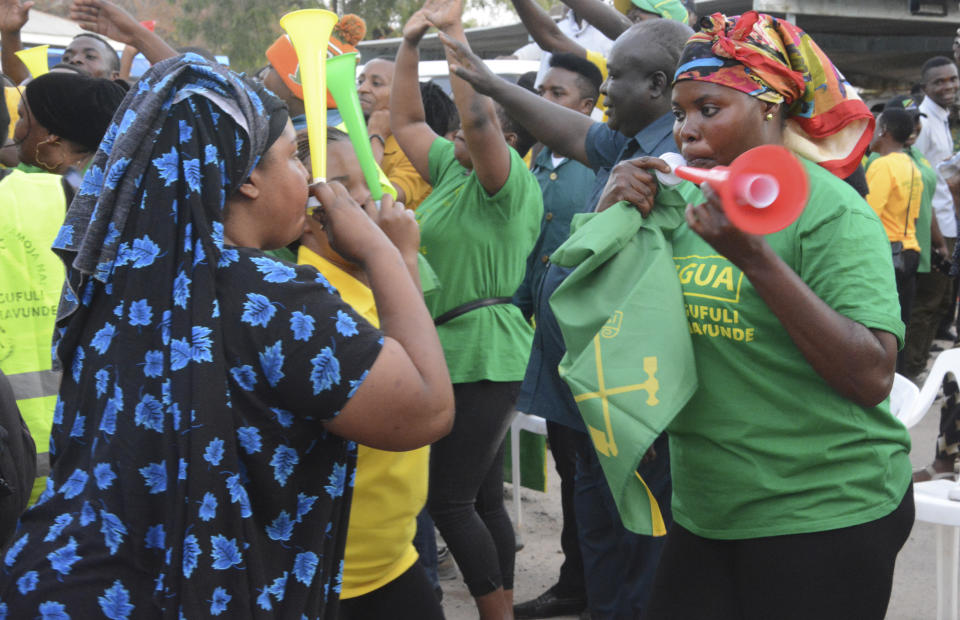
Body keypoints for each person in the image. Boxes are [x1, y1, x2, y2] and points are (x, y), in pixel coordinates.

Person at [0, 55, 454, 618]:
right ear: (244, 178)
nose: (311, 184)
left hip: (72, 581)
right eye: (293, 159)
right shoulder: (271, 300)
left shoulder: (123, 281)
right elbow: (427, 410)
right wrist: (389, 251)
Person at [603, 12, 911, 618]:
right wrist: (609, 216)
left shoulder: (832, 212)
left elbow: (872, 375)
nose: (686, 131)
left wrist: (754, 259)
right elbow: (611, 325)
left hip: (823, 510)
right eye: (679, 113)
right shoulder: (686, 200)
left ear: (768, 107)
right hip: (709, 507)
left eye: (708, 110)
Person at [444, 16, 691, 619]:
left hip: (628, 401)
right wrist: (490, 82)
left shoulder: (675, 157)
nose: (604, 90)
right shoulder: (628, 139)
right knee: (598, 539)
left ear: (658, 86)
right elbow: (573, 130)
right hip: (582, 392)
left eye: (617, 78)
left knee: (638, 551)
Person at [392, 0, 543, 616]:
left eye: (465, 127)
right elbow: (404, 120)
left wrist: (454, 33)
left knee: (448, 501)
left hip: (484, 352)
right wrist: (407, 44)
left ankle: (495, 612)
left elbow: (477, 116)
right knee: (480, 502)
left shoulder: (505, 183)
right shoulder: (453, 173)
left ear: (506, 141)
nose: (454, 131)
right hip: (455, 351)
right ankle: (499, 607)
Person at [296, 128, 442, 620]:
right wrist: (397, 257)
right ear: (305, 214)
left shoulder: (368, 280)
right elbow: (421, 396)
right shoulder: (314, 304)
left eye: (365, 180)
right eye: (339, 188)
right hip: (341, 575)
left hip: (393, 560)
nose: (365, 198)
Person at [1, 71, 126, 504]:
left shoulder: (76, 195)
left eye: (24, 117)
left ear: (52, 136)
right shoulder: (89, 196)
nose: (16, 129)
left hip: (18, 447)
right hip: (84, 439)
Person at [511, 51, 601, 620]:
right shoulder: (536, 159)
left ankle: (595, 585)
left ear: (588, 107)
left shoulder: (601, 166)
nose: (543, 99)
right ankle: (579, 581)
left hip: (587, 348)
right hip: (540, 341)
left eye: (558, 93)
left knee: (594, 474)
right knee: (570, 467)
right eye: (540, 89)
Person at [903, 56, 960, 383]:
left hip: (947, 223)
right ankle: (910, 375)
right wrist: (933, 236)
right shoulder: (922, 121)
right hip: (933, 227)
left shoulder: (940, 118)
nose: (949, 86)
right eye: (940, 82)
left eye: (952, 79)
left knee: (940, 305)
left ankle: (918, 365)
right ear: (926, 87)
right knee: (928, 303)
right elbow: (918, 178)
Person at [865, 108, 924, 350]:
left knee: (880, 333)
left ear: (884, 132)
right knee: (899, 328)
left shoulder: (882, 165)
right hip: (910, 252)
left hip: (888, 255)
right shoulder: (911, 164)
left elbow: (868, 216)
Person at [358, 58, 433, 209]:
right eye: (360, 81)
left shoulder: (419, 149)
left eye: (376, 83)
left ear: (403, 95)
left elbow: (373, 199)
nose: (362, 89)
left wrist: (376, 136)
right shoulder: (343, 130)